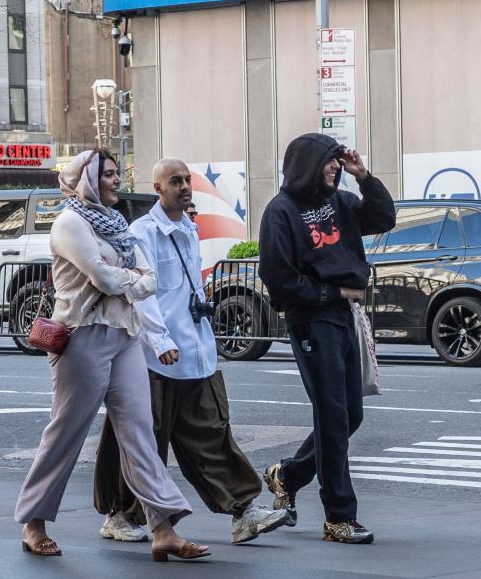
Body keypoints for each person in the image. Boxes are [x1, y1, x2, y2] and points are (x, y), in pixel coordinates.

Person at [14, 149, 210, 562]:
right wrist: (131, 280)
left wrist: (129, 281)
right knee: (65, 432)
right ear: (86, 180)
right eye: (107, 174)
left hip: (125, 336)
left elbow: (149, 280)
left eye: (117, 172)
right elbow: (101, 276)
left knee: (140, 432)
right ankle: (34, 522)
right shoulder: (69, 222)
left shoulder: (117, 224)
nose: (116, 179)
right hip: (83, 337)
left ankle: (163, 529)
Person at [93, 158, 289, 545]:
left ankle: (243, 510)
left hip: (195, 350)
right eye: (175, 181)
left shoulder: (187, 227)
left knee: (211, 433)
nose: (184, 186)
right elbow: (143, 293)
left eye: (187, 180)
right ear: (158, 187)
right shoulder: (142, 232)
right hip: (156, 357)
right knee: (142, 439)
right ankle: (120, 514)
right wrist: (161, 341)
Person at [257, 133, 395, 544]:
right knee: (334, 416)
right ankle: (339, 517)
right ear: (304, 165)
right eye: (327, 161)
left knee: (350, 415)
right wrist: (330, 293)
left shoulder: (340, 202)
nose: (335, 166)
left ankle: (288, 474)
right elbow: (277, 278)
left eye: (337, 160)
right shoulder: (280, 212)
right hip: (312, 320)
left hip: (344, 315)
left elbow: (383, 218)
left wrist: (364, 176)